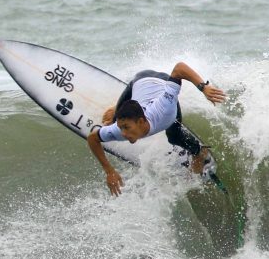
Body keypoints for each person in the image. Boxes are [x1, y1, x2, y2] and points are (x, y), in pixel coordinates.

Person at [87, 62, 226, 196]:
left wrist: (204, 88)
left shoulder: (164, 107)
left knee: (174, 135)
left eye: (127, 128)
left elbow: (179, 69)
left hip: (162, 84)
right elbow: (93, 138)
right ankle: (114, 114)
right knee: (114, 118)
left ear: (141, 121)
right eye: (121, 128)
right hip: (139, 81)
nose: (123, 134)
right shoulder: (119, 130)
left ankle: (199, 152)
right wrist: (109, 171)